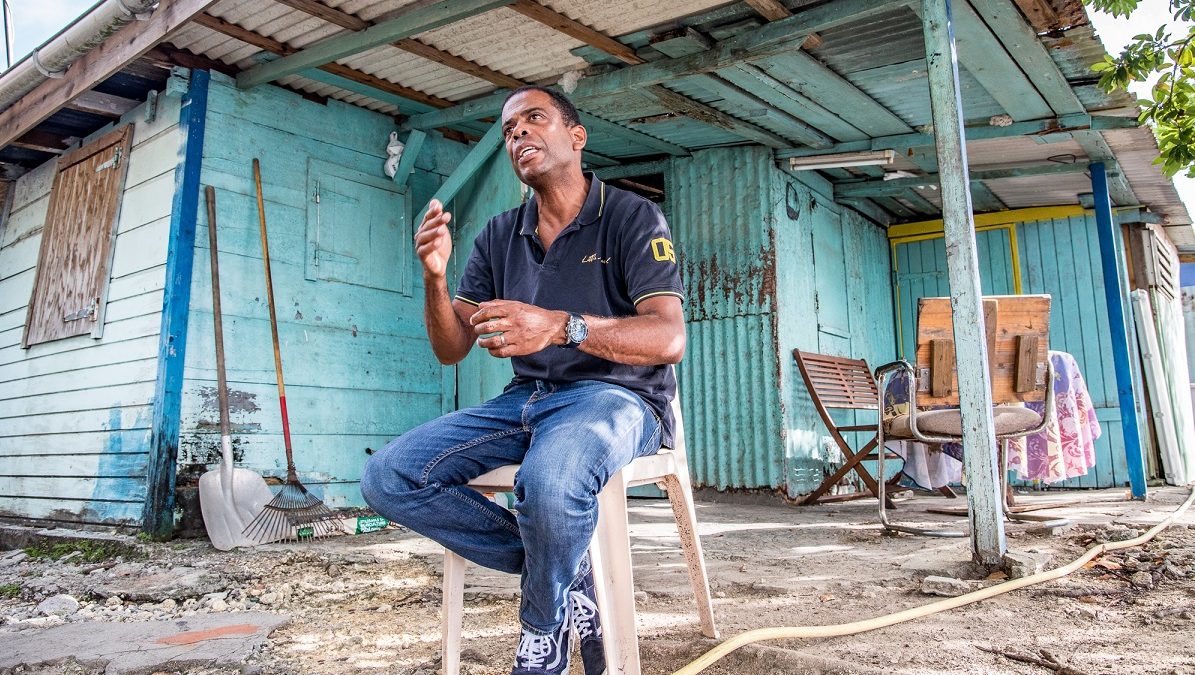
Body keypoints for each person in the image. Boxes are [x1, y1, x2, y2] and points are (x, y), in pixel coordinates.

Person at [360, 85, 685, 675]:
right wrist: (435, 279)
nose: (518, 135)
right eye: (509, 130)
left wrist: (562, 327)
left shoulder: (632, 216)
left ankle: (542, 632)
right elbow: (451, 347)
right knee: (389, 477)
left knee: (550, 481)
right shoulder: (497, 234)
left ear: (576, 136)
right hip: (526, 399)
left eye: (534, 119)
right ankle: (565, 566)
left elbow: (668, 338)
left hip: (619, 397)